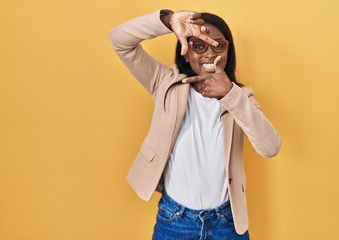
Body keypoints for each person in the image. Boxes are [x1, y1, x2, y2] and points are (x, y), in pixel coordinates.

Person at [110, 9, 281, 240]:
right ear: (185, 52)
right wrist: (168, 22)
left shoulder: (241, 98)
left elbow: (270, 147)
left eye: (219, 45)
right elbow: (119, 40)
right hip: (175, 219)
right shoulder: (165, 84)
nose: (210, 54)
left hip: (226, 221)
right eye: (199, 46)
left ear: (228, 50)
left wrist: (230, 94)